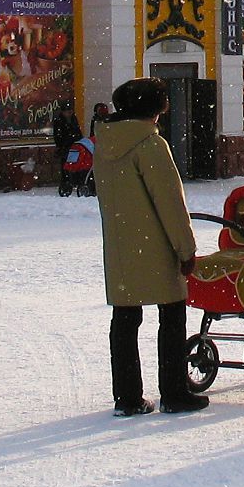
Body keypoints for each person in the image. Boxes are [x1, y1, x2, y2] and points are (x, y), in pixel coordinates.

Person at [93, 79, 206, 416]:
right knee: (172, 316)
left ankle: (126, 397)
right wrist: (185, 250)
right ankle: (174, 391)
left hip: (119, 246)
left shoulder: (105, 144)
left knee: (125, 320)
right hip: (155, 246)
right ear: (154, 111)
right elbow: (170, 204)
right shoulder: (150, 145)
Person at [53, 104, 84, 196]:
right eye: (67, 111)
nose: (69, 113)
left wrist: (79, 141)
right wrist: (62, 145)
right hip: (65, 147)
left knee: (76, 165)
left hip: (75, 146)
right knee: (66, 167)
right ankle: (66, 184)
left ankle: (75, 182)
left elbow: (77, 131)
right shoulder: (59, 121)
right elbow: (58, 135)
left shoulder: (73, 119)